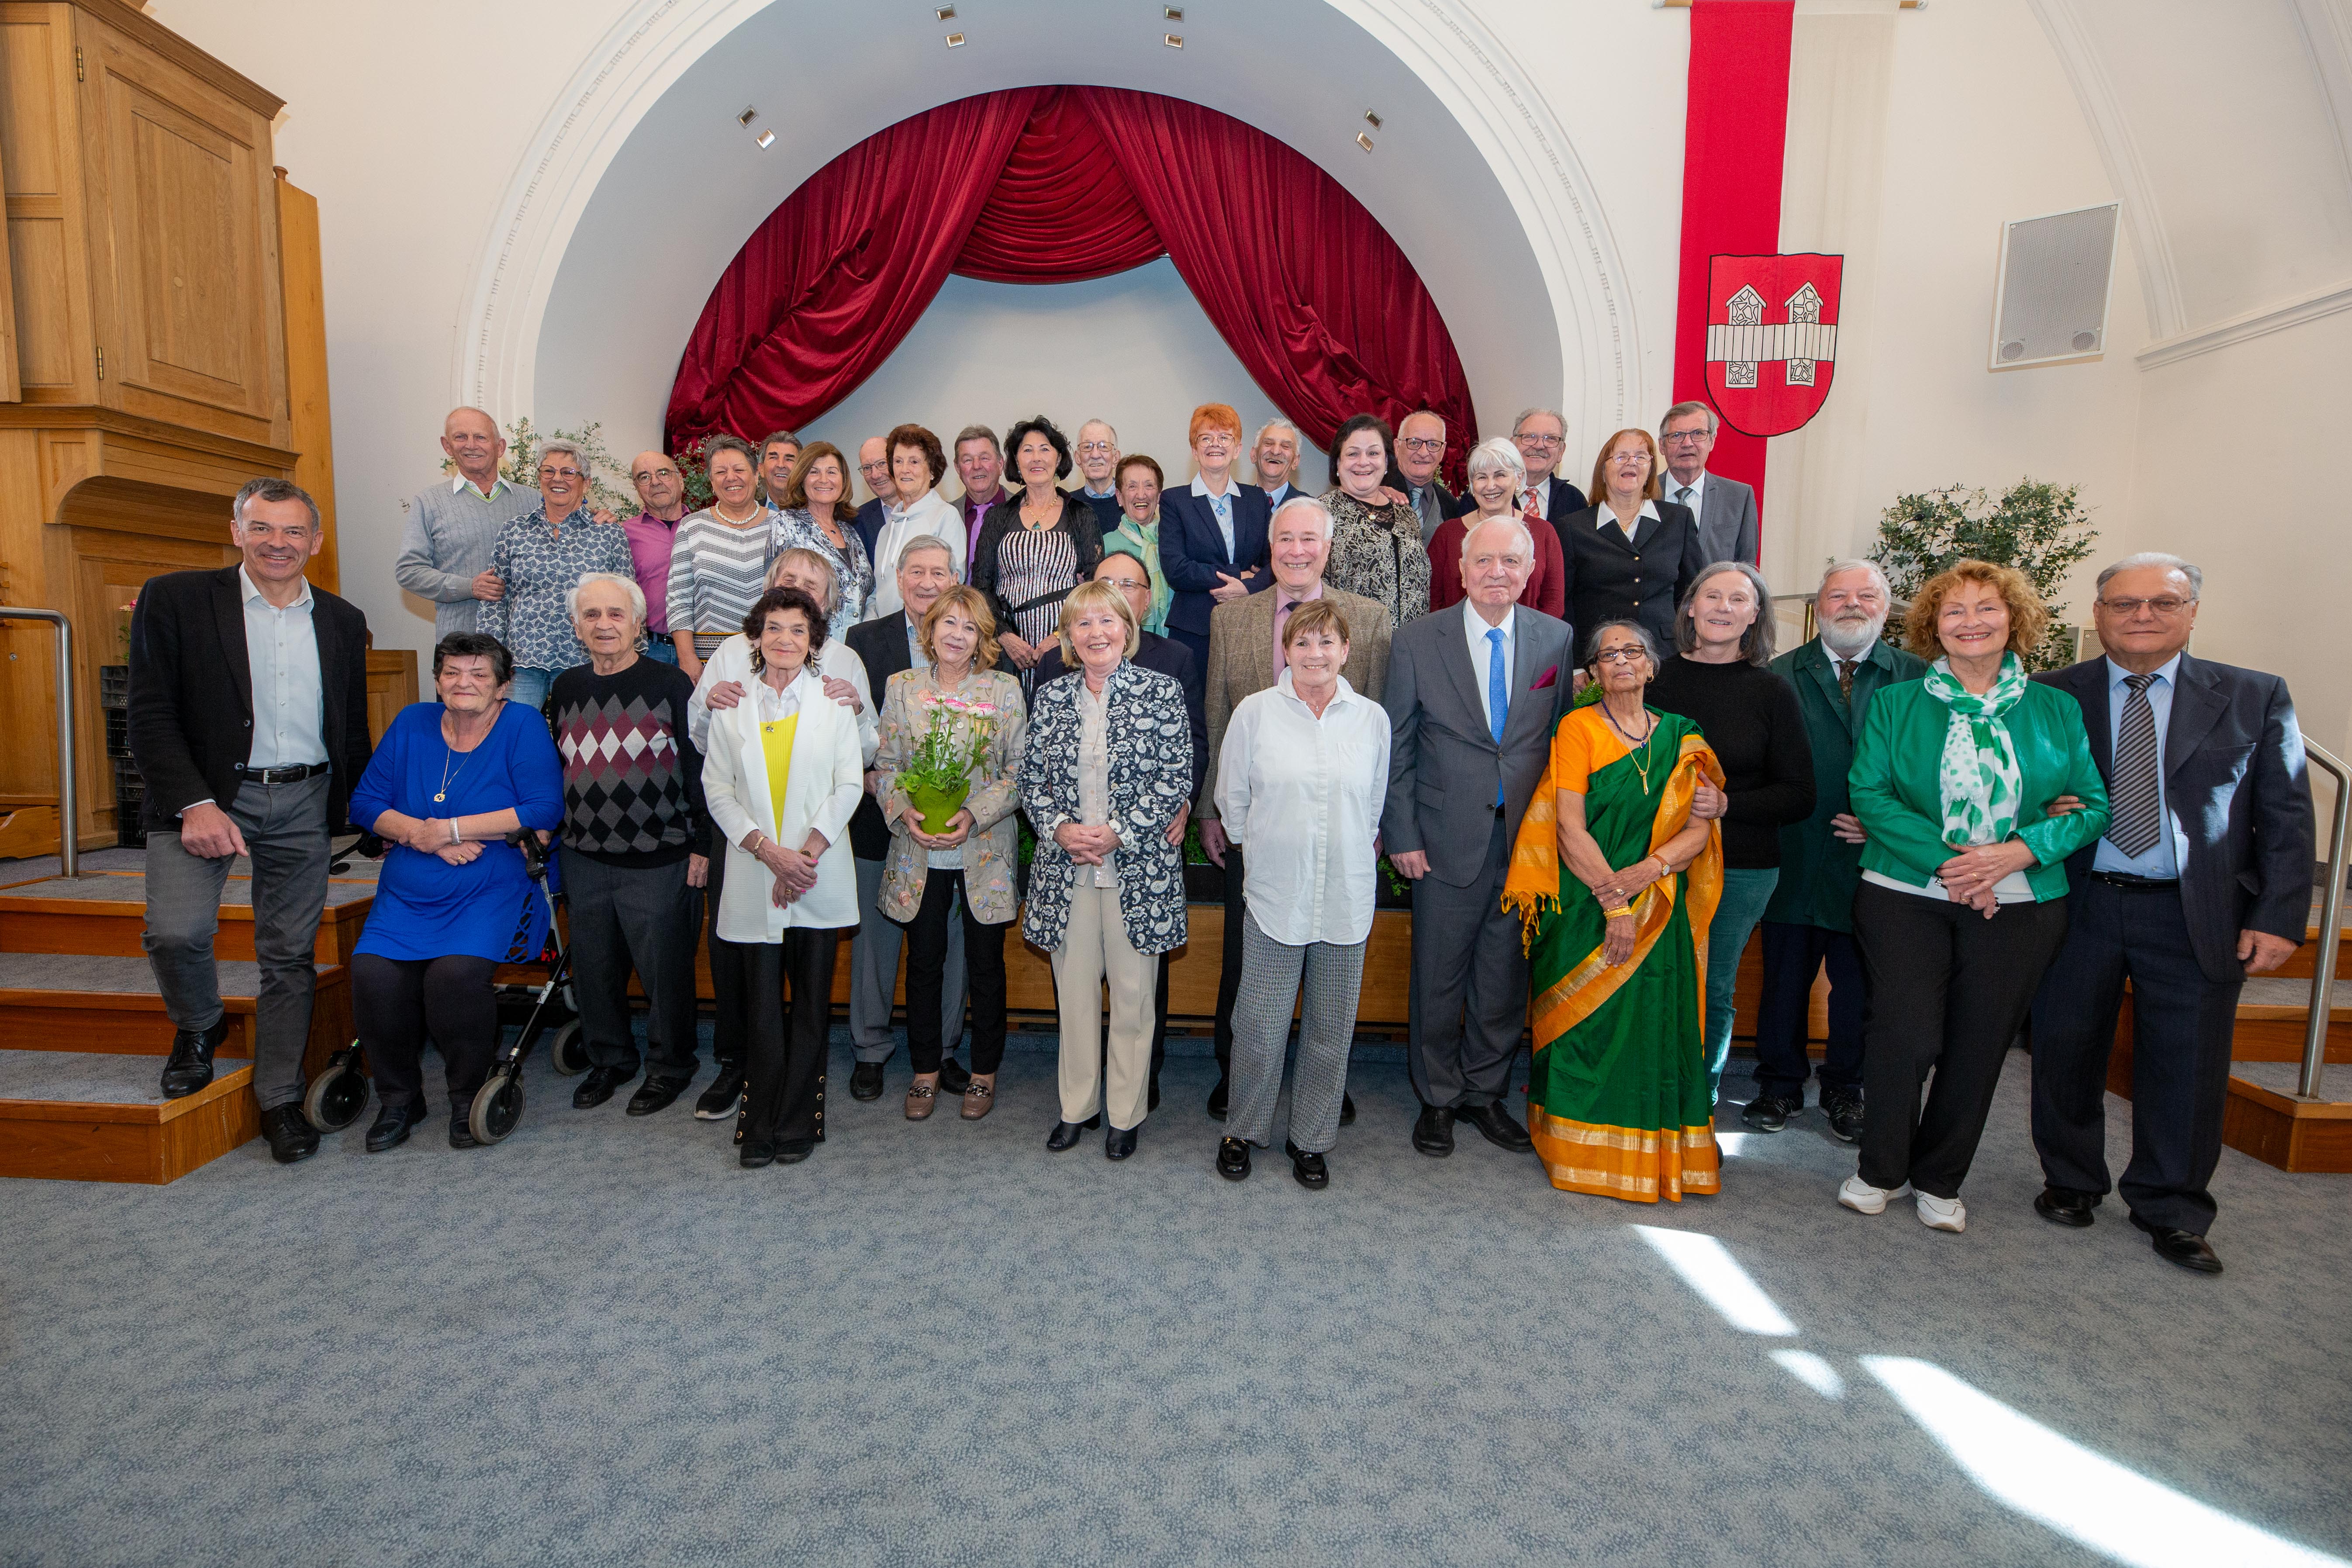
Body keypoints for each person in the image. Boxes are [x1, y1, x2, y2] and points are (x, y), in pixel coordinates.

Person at [2029, 553, 2313, 1274]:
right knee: (2064, 1048)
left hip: (2195, 911)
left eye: (2161, 603)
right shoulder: (2051, 693)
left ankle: (2173, 1208)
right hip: (2080, 900)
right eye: (2124, 605)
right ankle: (2070, 1180)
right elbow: (2014, 789)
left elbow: (2285, 815)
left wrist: (2281, 916)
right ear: (2098, 615)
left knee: (2186, 1066)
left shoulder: (2253, 696)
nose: (2142, 616)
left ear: (2191, 613)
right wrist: (2044, 808)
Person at [1842, 560, 2110, 1233]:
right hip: (1904, 890)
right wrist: (1954, 865)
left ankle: (1940, 1178)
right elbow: (1869, 794)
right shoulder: (1897, 703)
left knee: (1980, 1042)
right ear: (1934, 624)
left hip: (2020, 900)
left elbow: (2091, 807)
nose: (1970, 622)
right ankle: (1880, 1169)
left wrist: (2013, 854)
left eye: (1986, 608)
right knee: (1903, 1034)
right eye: (1954, 610)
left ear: (2012, 620)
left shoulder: (2055, 708)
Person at [133, 478, 373, 1164]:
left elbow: (347, 724)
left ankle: (278, 1096)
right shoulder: (176, 599)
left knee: (289, 956)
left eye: (294, 531)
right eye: (263, 528)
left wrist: (360, 814)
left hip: (304, 799)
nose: (278, 543)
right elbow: (149, 716)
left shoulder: (342, 618)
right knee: (175, 931)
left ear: (315, 543)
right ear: (237, 531)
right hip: (204, 795)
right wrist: (195, 803)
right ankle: (200, 1025)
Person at [1500, 619, 1726, 1201]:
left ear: (1651, 666)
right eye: (1608, 655)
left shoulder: (1682, 735)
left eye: (1633, 652)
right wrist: (1615, 903)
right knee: (1588, 1028)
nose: (1621, 661)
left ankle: (1653, 1150)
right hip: (1586, 902)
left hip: (1661, 902)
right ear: (1594, 674)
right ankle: (1576, 1146)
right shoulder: (1578, 729)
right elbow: (1568, 828)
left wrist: (1649, 874)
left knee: (1656, 1024)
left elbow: (1699, 830)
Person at [1381, 514, 1574, 1157]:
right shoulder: (1415, 640)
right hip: (1439, 839)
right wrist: (1402, 832)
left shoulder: (1555, 638)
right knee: (1437, 975)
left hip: (1525, 843)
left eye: (1511, 562)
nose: (1497, 573)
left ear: (1530, 571)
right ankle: (1436, 1098)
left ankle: (1484, 1093)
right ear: (1460, 571)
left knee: (1502, 976)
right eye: (1484, 562)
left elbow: (1560, 744)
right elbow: (1399, 746)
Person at [1195, 496, 1390, 1120]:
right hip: (1260, 828)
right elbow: (1219, 719)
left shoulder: (1370, 618)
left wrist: (1369, 822)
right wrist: (1216, 814)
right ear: (1270, 547)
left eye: (1310, 539)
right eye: (1285, 539)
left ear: (1327, 547)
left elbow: (1376, 723)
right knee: (1246, 961)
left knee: (1331, 979)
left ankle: (1320, 1090)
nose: (1297, 550)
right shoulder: (1232, 619)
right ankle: (1242, 1078)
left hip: (1340, 829)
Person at [345, 633, 565, 1150]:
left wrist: (450, 830)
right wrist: (422, 834)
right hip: (411, 881)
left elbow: (541, 809)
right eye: (452, 672)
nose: (463, 682)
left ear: (503, 684)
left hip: (491, 883)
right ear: (439, 679)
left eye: (479, 673)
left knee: (455, 977)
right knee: (372, 974)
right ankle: (400, 1098)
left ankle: (468, 1094)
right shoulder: (413, 722)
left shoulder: (521, 725)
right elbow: (365, 801)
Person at [690, 549, 879, 1119]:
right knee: (753, 985)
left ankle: (800, 1107)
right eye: (785, 586)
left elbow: (861, 758)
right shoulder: (731, 660)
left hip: (814, 855)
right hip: (751, 850)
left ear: (824, 609)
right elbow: (708, 751)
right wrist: (768, 851)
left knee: (810, 988)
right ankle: (751, 1088)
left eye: (807, 594)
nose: (786, 634)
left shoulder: (843, 664)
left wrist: (802, 854)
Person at [1211, 599, 1391, 1189]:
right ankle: (1243, 1128)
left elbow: (1371, 806)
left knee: (1328, 1029)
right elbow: (1232, 798)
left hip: (1344, 895)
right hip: (1274, 893)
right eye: (1303, 643)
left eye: (1327, 643)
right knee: (1258, 1024)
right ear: (1286, 650)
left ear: (1346, 650)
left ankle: (1311, 1139)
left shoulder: (1371, 719)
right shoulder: (1255, 712)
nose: (1315, 654)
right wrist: (1260, 849)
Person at [1748, 561, 1927, 1139]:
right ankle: (1778, 1086)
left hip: (1881, 864)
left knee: (1860, 988)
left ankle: (1846, 1088)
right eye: (1838, 594)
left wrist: (1890, 828)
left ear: (1887, 604)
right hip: (1794, 854)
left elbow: (1939, 775)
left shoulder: (1919, 678)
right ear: (1817, 606)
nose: (1852, 604)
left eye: (1866, 595)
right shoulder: (1776, 675)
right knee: (1783, 979)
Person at [1019, 581, 1193, 1160]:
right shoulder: (1050, 697)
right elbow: (1030, 780)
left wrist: (1121, 830)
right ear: (1069, 636)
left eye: (1107, 622)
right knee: (1073, 996)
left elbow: (1176, 777)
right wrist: (1061, 828)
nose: (1096, 633)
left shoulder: (1162, 691)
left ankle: (1124, 1113)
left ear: (1127, 628)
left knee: (1134, 996)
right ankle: (1077, 1107)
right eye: (1083, 624)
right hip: (1068, 870)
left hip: (1137, 868)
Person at [1644, 562, 1815, 1102]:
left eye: (1738, 599)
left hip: (1740, 866)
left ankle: (1697, 1099)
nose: (1723, 607)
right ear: (1690, 606)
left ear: (1754, 616)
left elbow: (1799, 794)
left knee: (1711, 987)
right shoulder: (1651, 678)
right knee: (1645, 980)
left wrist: (1726, 803)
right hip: (1651, 861)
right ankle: (1642, 1091)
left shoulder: (1773, 692)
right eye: (1711, 596)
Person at [548, 574, 711, 1118]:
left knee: (665, 974)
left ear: (639, 623)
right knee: (594, 970)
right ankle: (611, 1061)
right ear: (577, 626)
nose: (604, 625)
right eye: (592, 615)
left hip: (661, 854)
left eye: (616, 614)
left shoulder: (670, 684)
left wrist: (702, 846)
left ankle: (671, 1067)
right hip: (585, 854)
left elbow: (698, 769)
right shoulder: (566, 688)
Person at [872, 587, 1027, 1122]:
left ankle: (983, 1071)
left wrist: (973, 815)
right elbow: (887, 763)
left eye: (969, 627)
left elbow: (1017, 773)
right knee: (924, 964)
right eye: (948, 624)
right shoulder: (902, 687)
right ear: (929, 629)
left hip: (981, 847)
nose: (957, 635)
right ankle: (925, 1070)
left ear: (982, 637)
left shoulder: (1004, 690)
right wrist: (903, 811)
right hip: (918, 849)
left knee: (985, 965)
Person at [843, 538, 971, 1101]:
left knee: (950, 939)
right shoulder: (863, 641)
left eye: (938, 572)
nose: (927, 581)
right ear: (898, 576)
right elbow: (848, 726)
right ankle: (870, 1048)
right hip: (882, 815)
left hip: (956, 827)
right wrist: (872, 776)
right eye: (915, 571)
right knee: (878, 940)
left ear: (954, 578)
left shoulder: (975, 645)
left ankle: (942, 1050)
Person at [484, 438, 634, 711]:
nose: (558, 479)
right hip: (522, 664)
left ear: (586, 483)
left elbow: (628, 599)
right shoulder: (514, 531)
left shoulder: (609, 533)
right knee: (514, 739)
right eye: (549, 471)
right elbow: (495, 597)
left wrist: (631, 654)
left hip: (588, 661)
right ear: (540, 478)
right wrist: (489, 657)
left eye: (569, 472)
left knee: (585, 745)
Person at [971, 415, 1103, 687]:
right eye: (1027, 451)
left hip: (1069, 645)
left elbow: (1094, 584)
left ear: (1058, 459)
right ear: (1016, 463)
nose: (1036, 458)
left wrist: (1060, 636)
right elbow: (981, 584)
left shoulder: (1081, 515)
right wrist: (1004, 636)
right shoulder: (998, 517)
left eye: (1045, 449)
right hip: (1007, 646)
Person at [1556, 427, 1705, 651]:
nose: (1631, 463)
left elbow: (1691, 593)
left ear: (1651, 470)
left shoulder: (1678, 520)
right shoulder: (1572, 527)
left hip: (1664, 654)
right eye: (1621, 457)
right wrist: (1575, 665)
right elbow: (1564, 602)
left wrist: (1691, 649)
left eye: (1641, 457)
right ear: (1603, 470)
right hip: (1599, 654)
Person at [397, 406, 534, 640]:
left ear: (500, 447)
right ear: (447, 446)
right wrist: (469, 587)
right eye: (461, 437)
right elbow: (409, 572)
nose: (471, 445)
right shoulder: (429, 502)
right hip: (461, 645)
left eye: (481, 437)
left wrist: (600, 519)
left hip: (528, 645)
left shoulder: (533, 500)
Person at [1159, 402, 1274, 666]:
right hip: (1194, 629)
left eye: (1225, 437)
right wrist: (1237, 575)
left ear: (1238, 450)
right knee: (1197, 706)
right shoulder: (1174, 500)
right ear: (1194, 451)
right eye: (1206, 438)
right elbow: (1176, 568)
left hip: (1250, 622)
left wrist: (1248, 586)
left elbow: (1276, 561)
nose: (1216, 444)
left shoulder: (1257, 499)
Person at [665, 433, 772, 684]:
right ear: (712, 481)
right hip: (709, 660)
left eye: (739, 469)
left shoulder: (782, 525)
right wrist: (687, 658)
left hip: (773, 654)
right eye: (721, 472)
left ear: (757, 475)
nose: (731, 478)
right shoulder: (692, 526)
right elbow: (678, 598)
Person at [1426, 437, 1566, 620]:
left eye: (1500, 475)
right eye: (1482, 477)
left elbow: (1553, 603)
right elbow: (1433, 601)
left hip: (1528, 643)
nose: (1490, 486)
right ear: (1472, 485)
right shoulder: (1447, 534)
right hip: (1457, 642)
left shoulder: (1544, 533)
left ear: (1519, 478)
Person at [1322, 413, 1430, 633]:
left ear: (1387, 462)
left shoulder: (1406, 513)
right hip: (1353, 648)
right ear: (1338, 463)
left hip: (1411, 647)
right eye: (1353, 454)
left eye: (1373, 453)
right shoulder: (1320, 513)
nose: (1364, 462)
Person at [770, 440, 874, 637]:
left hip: (853, 651)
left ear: (843, 481)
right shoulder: (786, 523)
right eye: (814, 472)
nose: (824, 480)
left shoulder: (850, 532)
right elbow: (773, 596)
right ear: (801, 479)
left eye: (832, 472)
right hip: (806, 647)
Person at [868, 425, 967, 616]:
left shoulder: (946, 516)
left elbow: (952, 588)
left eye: (914, 462)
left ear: (932, 472)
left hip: (925, 633)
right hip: (885, 635)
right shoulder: (886, 530)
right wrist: (872, 629)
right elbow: (877, 593)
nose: (905, 470)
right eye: (898, 461)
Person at [1658, 401, 1759, 566]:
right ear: (1662, 445)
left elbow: (1746, 568)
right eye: (1677, 435)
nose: (1687, 443)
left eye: (1698, 434)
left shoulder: (1740, 497)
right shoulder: (1643, 493)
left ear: (1712, 441)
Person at [622, 449, 690, 664]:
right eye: (644, 477)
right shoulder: (622, 533)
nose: (655, 482)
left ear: (680, 480)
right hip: (648, 650)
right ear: (637, 489)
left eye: (663, 473)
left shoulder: (707, 527)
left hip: (701, 647)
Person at [1099, 454, 1171, 635]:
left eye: (1149, 486)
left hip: (1173, 644)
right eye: (1132, 487)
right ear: (1119, 497)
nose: (1141, 494)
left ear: (1159, 496)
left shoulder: (1174, 541)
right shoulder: (1105, 546)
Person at [1509, 407, 1591, 530]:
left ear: (1561, 452)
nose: (1539, 446)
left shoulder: (1574, 500)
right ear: (1513, 445)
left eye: (1550, 439)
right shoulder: (1489, 493)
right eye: (1530, 436)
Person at [1391, 409, 1460, 546]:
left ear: (1442, 452)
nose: (1423, 453)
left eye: (1433, 444)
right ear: (1398, 447)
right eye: (1414, 443)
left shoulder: (1451, 506)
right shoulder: (1375, 493)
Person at [953, 425, 1010, 568]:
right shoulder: (945, 515)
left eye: (985, 458)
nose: (977, 466)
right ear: (958, 469)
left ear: (1001, 463)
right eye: (967, 460)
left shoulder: (1023, 509)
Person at [853, 436, 897, 565]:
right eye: (867, 468)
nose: (875, 475)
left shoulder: (933, 510)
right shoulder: (857, 522)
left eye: (882, 464)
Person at [1074, 418, 1124, 530]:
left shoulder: (1132, 502)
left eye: (1103, 446)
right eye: (1087, 447)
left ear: (1116, 458)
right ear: (1078, 458)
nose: (1095, 455)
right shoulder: (1067, 505)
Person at [1253, 418, 1311, 510]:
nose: (1276, 452)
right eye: (1268, 444)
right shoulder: (1236, 503)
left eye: (1285, 446)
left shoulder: (1309, 508)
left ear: (1295, 461)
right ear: (1254, 455)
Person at [755, 429, 802, 507]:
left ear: (801, 470)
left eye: (789, 459)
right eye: (773, 458)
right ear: (761, 469)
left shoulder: (816, 512)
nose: (781, 465)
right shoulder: (750, 514)